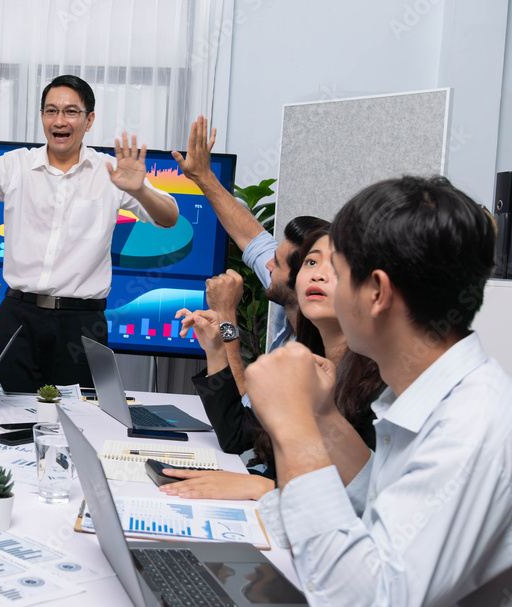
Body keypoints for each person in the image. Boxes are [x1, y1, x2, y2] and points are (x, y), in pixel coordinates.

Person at [248, 176, 512, 605]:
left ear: (376, 292)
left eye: (339, 271)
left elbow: (368, 596)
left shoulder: (471, 426)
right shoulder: (423, 393)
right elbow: (375, 508)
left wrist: (294, 427)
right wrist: (320, 414)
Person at [0, 74, 179, 393]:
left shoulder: (111, 172)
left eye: (71, 111)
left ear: (89, 120)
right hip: (19, 318)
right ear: (42, 116)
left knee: (80, 414)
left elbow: (169, 218)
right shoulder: (16, 164)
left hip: (82, 323)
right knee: (8, 411)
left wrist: (139, 190)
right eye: (51, 111)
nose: (59, 120)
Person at [163, 225, 382, 500]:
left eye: (337, 266)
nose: (318, 274)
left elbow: (371, 497)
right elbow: (238, 435)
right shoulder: (301, 357)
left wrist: (267, 488)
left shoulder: (381, 383)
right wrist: (215, 349)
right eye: (311, 262)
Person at [174, 116, 327, 394]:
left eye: (277, 263)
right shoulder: (292, 287)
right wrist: (203, 177)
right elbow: (251, 237)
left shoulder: (314, 362)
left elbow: (245, 413)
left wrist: (226, 319)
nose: (267, 264)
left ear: (306, 282)